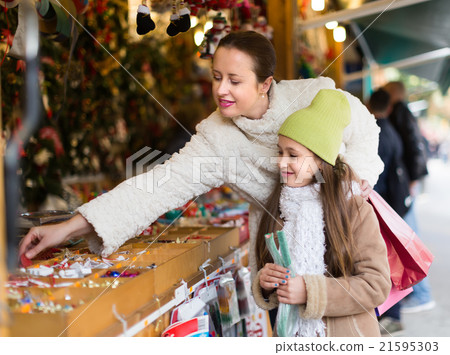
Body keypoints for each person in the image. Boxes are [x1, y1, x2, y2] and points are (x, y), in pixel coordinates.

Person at [19, 31, 384, 281]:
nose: (221, 90)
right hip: (279, 248)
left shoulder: (312, 98)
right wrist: (69, 227)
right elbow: (157, 187)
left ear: (265, 83)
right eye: (216, 77)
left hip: (341, 231)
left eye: (235, 81)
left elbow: (366, 129)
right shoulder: (216, 137)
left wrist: (349, 190)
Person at [251, 89, 390, 337]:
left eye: (293, 155)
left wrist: (311, 292)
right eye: (280, 152)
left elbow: (376, 284)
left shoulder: (353, 208)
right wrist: (265, 281)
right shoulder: (281, 207)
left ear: (320, 161)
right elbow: (273, 271)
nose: (282, 163)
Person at [383, 81, 435, 314]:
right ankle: (418, 294)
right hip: (404, 187)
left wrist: (411, 182)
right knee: (409, 239)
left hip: (403, 188)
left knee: (409, 242)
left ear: (394, 94)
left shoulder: (401, 113)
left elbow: (414, 147)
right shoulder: (402, 112)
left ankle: (422, 295)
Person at [368, 88, 409, 336]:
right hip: (391, 205)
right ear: (389, 107)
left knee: (382, 262)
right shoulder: (393, 132)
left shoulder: (372, 133)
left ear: (368, 104)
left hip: (378, 204)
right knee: (389, 259)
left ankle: (390, 314)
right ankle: (391, 314)